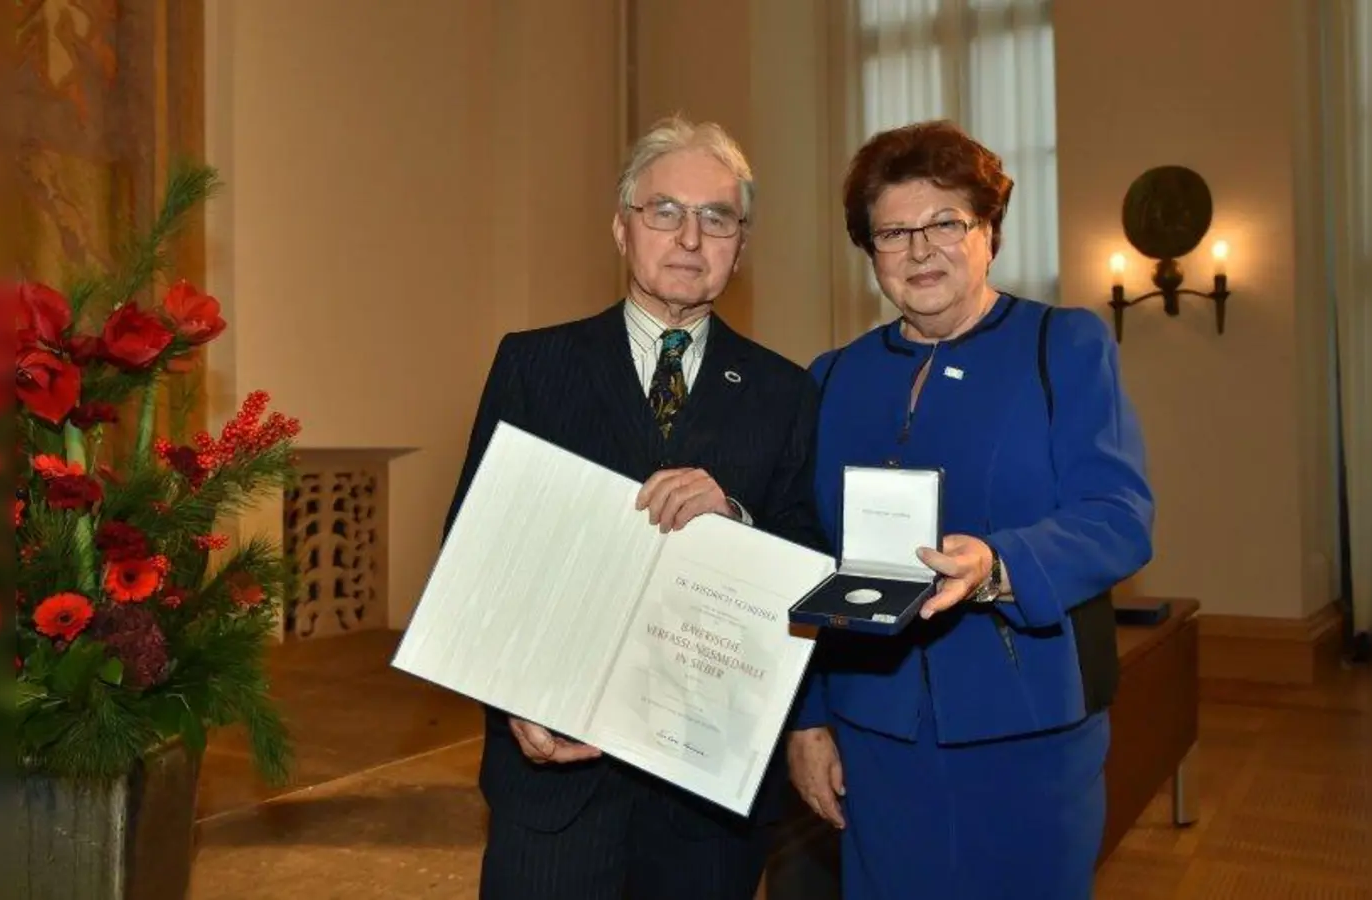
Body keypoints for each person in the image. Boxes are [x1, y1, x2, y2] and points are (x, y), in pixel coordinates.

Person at [443, 116, 827, 900]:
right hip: (555, 772)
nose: (690, 237)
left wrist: (739, 523)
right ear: (622, 228)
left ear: (739, 246)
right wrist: (516, 695)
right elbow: (473, 552)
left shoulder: (787, 392)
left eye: (716, 217)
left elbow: (814, 558)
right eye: (665, 211)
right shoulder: (534, 363)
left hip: (706, 797)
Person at [784, 119, 1156, 898]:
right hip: (875, 731)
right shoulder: (831, 379)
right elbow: (809, 554)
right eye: (894, 232)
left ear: (988, 233)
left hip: (1029, 722)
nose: (920, 251)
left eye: (945, 223)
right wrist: (809, 720)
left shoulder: (1065, 347)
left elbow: (1119, 515)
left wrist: (998, 565)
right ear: (870, 252)